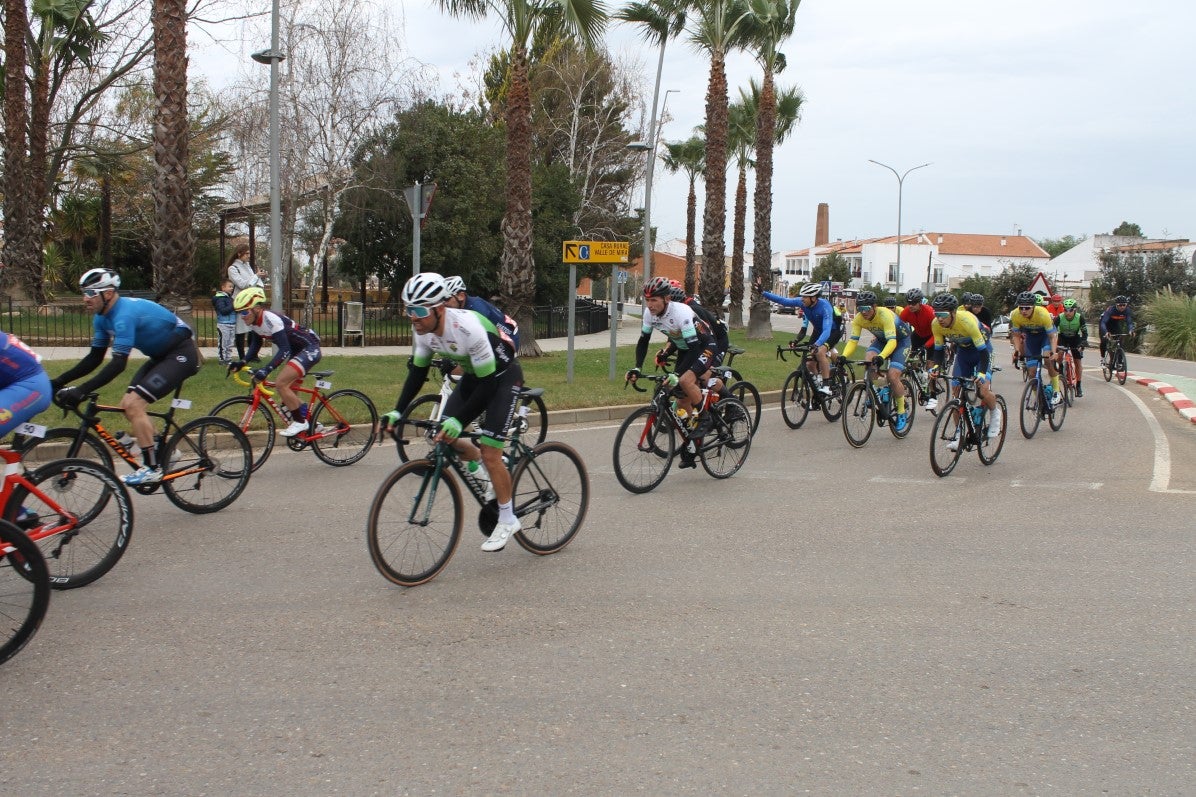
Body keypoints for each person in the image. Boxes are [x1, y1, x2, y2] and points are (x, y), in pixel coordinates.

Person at [379, 273, 524, 552]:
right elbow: (418, 373)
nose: (413, 317)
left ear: (439, 309)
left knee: (491, 451)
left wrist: (460, 419)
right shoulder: (423, 330)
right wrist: (397, 411)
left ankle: (507, 518)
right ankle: (486, 479)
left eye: (419, 311)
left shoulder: (467, 328)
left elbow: (489, 383)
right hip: (475, 375)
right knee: (443, 435)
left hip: (502, 377)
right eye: (408, 310)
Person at [52, 268, 200, 485]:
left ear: (109, 293)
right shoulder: (102, 319)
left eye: (91, 292)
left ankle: (152, 468)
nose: (85, 298)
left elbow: (118, 365)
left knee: (134, 404)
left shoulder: (124, 314)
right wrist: (58, 382)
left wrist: (81, 390)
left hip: (181, 354)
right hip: (160, 356)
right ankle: (166, 450)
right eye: (84, 292)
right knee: (126, 404)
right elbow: (94, 358)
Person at [627, 276, 719, 468]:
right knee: (678, 397)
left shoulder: (681, 312)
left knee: (685, 381)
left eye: (654, 300)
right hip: (685, 348)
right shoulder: (648, 314)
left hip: (703, 346)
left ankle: (706, 418)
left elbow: (694, 349)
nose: (650, 305)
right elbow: (643, 341)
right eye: (647, 300)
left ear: (667, 299)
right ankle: (692, 443)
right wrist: (637, 367)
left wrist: (678, 374)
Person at [231, 287, 322, 437]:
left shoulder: (270, 319)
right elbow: (256, 345)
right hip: (296, 351)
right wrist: (242, 361)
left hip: (309, 348)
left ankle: (300, 422)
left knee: (281, 384)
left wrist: (266, 369)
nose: (242, 316)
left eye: (244, 311)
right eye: (239, 312)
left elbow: (284, 349)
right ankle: (313, 426)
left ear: (258, 309)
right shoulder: (254, 322)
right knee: (288, 402)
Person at [927, 293, 1001, 447]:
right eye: (936, 314)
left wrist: (981, 373)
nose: (939, 318)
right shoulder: (936, 324)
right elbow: (939, 349)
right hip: (964, 353)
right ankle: (958, 434)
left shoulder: (967, 321)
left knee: (982, 390)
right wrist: (936, 366)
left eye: (943, 314)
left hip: (982, 350)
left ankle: (995, 413)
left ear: (953, 313)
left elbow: (983, 353)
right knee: (957, 394)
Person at [841, 290, 914, 433]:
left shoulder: (885, 314)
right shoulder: (859, 319)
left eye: (866, 308)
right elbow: (853, 341)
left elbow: (892, 342)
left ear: (874, 306)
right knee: (869, 363)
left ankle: (901, 412)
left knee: (892, 376)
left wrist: (881, 357)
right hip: (882, 341)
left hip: (901, 342)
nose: (863, 312)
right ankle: (873, 390)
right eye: (860, 309)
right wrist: (843, 356)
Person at [762, 283, 841, 396]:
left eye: (805, 297)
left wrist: (817, 344)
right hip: (818, 331)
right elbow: (784, 301)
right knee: (809, 363)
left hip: (832, 331)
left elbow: (827, 330)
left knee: (820, 352)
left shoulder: (825, 306)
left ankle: (826, 385)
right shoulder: (803, 303)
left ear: (813, 298)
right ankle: (818, 384)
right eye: (802, 296)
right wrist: (763, 292)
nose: (802, 299)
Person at [1009, 290, 1062, 406]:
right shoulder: (1015, 314)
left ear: (1033, 307)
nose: (1023, 311)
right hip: (1032, 338)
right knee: (1031, 372)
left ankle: (1056, 391)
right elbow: (1016, 335)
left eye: (1027, 308)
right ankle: (1038, 398)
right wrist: (1017, 351)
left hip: (1045, 336)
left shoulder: (1042, 314)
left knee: (1048, 359)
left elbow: (1053, 336)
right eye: (1021, 307)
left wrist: (1054, 352)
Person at [443, 275, 520, 350]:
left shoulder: (476, 307)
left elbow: (479, 338)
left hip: (508, 339)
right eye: (441, 299)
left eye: (447, 298)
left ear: (461, 296)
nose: (444, 303)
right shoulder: (463, 307)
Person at [900, 288, 940, 411]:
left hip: (932, 336)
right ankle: (920, 376)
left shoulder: (929, 312)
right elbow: (899, 326)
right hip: (917, 335)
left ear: (920, 303)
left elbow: (937, 334)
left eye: (913, 303)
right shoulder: (906, 312)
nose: (910, 306)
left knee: (930, 366)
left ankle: (933, 395)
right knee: (909, 360)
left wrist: (925, 347)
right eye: (908, 303)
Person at [226, 243, 267, 362]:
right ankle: (242, 356)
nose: (249, 256)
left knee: (253, 329)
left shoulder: (247, 266)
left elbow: (254, 282)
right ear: (239, 254)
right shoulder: (233, 268)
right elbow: (243, 284)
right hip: (242, 302)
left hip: (252, 301)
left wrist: (260, 277)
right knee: (241, 330)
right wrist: (256, 276)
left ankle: (252, 354)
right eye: (247, 253)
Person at [1055, 298, 1088, 397]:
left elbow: (1085, 333)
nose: (1067, 312)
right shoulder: (1059, 317)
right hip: (1063, 337)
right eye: (1065, 310)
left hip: (1075, 338)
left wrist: (1083, 343)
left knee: (1077, 361)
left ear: (1075, 310)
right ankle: (1060, 367)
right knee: (1059, 353)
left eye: (1070, 310)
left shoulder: (1080, 317)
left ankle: (1078, 385)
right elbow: (1052, 331)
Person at [1099, 295, 1135, 360]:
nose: (1122, 307)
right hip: (1105, 323)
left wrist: (1131, 330)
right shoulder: (1111, 310)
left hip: (1115, 324)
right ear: (1116, 305)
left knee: (1120, 341)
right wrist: (1106, 332)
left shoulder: (1127, 310)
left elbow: (1129, 322)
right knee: (1104, 340)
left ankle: (1120, 362)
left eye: (1124, 305)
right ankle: (1102, 358)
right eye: (1120, 305)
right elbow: (1103, 323)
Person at [212, 279, 237, 365]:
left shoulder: (230, 299)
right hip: (223, 324)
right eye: (229, 287)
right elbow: (223, 311)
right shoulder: (220, 299)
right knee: (223, 343)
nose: (231, 288)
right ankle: (222, 359)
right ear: (223, 287)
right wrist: (233, 305)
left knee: (230, 343)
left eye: (232, 287)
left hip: (232, 323)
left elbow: (234, 309)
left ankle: (228, 359)